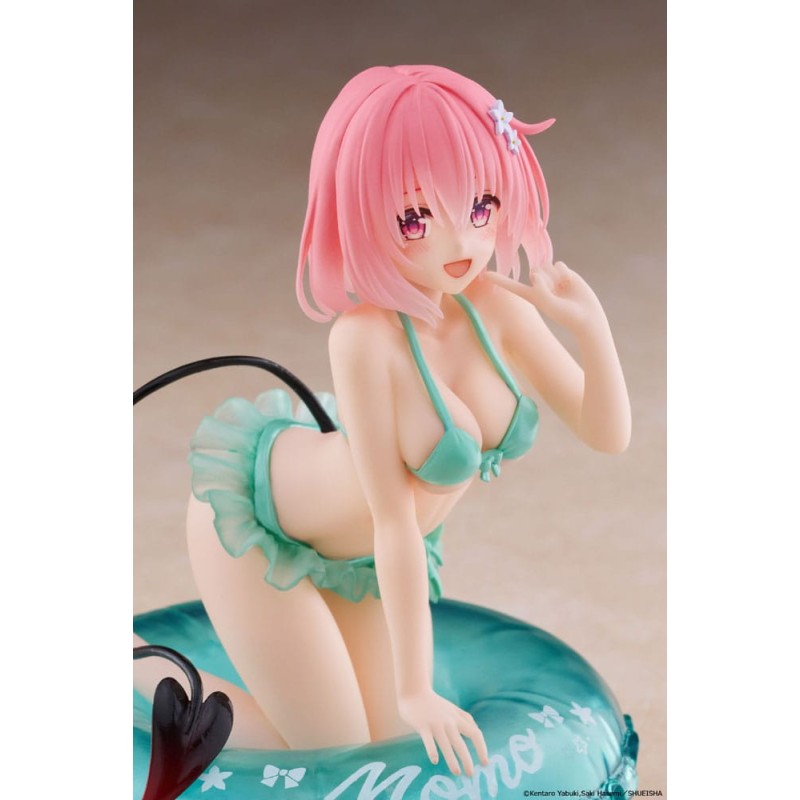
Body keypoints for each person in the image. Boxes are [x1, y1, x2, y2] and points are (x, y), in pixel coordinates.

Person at [136, 64, 631, 779]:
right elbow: (394, 518)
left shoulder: (501, 311)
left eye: (481, 206)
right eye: (415, 220)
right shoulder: (365, 338)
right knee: (328, 750)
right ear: (362, 216)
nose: (459, 242)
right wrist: (415, 690)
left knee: (379, 745)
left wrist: (592, 328)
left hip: (361, 561)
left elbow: (607, 434)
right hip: (260, 527)